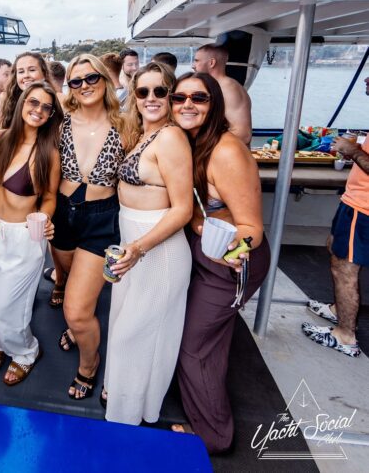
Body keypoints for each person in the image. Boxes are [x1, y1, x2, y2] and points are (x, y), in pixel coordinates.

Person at [169, 71, 270, 453]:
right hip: (206, 255)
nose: (188, 105)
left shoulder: (225, 150)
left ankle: (213, 436)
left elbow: (251, 226)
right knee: (211, 339)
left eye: (199, 98)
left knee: (194, 346)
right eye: (179, 98)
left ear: (214, 105)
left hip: (232, 263)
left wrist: (231, 255)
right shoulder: (190, 143)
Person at [103, 61, 193, 423]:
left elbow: (183, 209)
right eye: (143, 91)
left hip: (158, 252)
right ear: (134, 95)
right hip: (132, 246)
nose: (151, 98)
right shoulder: (142, 133)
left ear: (171, 95)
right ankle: (128, 399)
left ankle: (128, 417)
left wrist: (139, 248)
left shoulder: (171, 137)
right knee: (129, 326)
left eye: (160, 91)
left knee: (133, 335)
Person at [0, 82, 61, 385]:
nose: (37, 110)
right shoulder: (2, 138)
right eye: (32, 102)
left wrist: (45, 216)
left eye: (45, 107)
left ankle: (25, 351)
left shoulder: (49, 152)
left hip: (25, 237)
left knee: (7, 310)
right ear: (22, 103)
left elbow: (49, 196)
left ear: (50, 115)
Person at [51, 54, 125, 400]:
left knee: (78, 311)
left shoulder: (126, 124)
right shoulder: (61, 123)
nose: (84, 86)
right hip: (63, 214)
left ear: (104, 80)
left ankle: (89, 365)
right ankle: (80, 330)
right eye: (76, 81)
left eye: (90, 78)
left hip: (101, 218)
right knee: (71, 293)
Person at [302, 79, 369, 358]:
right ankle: (338, 310)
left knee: (345, 269)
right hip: (354, 203)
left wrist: (352, 151)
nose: (366, 80)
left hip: (363, 208)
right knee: (338, 257)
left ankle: (345, 335)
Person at [192, 43, 252, 145]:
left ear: (211, 63)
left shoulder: (228, 88)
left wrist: (204, 145)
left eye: (197, 61)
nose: (193, 66)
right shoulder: (216, 86)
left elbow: (243, 134)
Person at [0, 52, 51, 129]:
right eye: (21, 71)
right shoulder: (7, 99)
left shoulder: (54, 100)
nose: (26, 75)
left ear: (44, 73)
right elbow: (2, 129)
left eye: (32, 70)